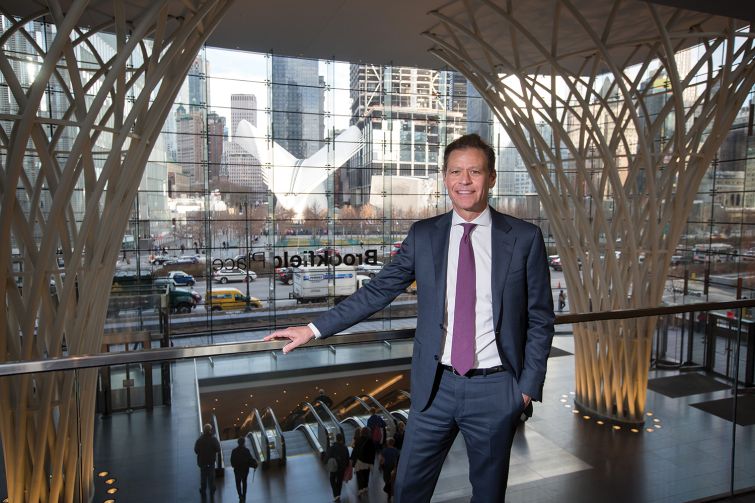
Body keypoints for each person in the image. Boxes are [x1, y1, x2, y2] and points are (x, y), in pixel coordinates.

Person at [265, 133, 555, 502]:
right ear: (445, 178)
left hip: (496, 389)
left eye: (475, 171)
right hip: (435, 389)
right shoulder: (425, 235)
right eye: (456, 171)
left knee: (488, 494)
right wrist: (313, 328)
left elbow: (540, 318)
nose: (464, 181)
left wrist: (526, 388)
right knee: (407, 491)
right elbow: (377, 291)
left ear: (491, 177)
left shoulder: (524, 238)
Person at [194, 423, 221, 500]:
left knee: (203, 476)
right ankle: (212, 489)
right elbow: (218, 449)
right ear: (210, 430)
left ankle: (203, 489)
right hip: (211, 461)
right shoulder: (213, 439)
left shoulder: (199, 440)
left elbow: (196, 450)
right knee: (211, 476)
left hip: (202, 462)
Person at [325, 432, 351, 502]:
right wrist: (347, 465)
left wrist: (326, 462)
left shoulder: (333, 447)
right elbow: (347, 458)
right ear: (342, 439)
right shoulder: (345, 447)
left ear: (336, 439)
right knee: (339, 481)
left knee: (332, 479)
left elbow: (328, 455)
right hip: (342, 468)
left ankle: (336, 495)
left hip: (334, 467)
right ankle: (338, 495)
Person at [230, 436, 257, 501]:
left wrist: (234, 466)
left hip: (237, 470)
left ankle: (240, 495)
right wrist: (255, 464)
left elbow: (232, 460)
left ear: (238, 443)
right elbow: (250, 459)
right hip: (245, 469)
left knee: (238, 483)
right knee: (244, 482)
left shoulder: (234, 451)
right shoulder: (246, 450)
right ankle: (244, 495)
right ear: (244, 442)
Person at [351, 426, 375, 497]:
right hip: (368, 461)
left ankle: (360, 489)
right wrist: (372, 462)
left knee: (359, 475)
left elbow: (355, 451)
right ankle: (365, 487)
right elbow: (373, 452)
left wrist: (352, 459)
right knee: (366, 474)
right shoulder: (371, 440)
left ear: (362, 432)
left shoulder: (359, 440)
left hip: (360, 461)